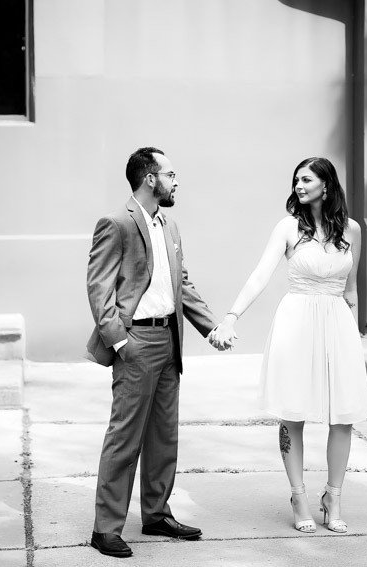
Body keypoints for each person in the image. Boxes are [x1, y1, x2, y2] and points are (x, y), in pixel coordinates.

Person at [209, 156, 367, 534]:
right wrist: (232, 316)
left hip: (337, 325)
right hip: (296, 323)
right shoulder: (287, 228)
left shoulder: (352, 230)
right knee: (292, 414)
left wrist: (355, 338)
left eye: (307, 179)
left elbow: (351, 289)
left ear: (326, 185)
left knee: (342, 415)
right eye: (296, 180)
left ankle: (334, 496)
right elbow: (260, 274)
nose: (299, 185)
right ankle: (298, 496)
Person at [85, 147, 229, 559]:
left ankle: (156, 514)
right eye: (171, 174)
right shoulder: (117, 224)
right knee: (125, 438)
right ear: (151, 178)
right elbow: (99, 288)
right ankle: (106, 529)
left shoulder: (169, 224)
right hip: (136, 344)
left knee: (164, 435)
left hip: (170, 340)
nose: (176, 181)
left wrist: (212, 327)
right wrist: (119, 341)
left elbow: (182, 285)